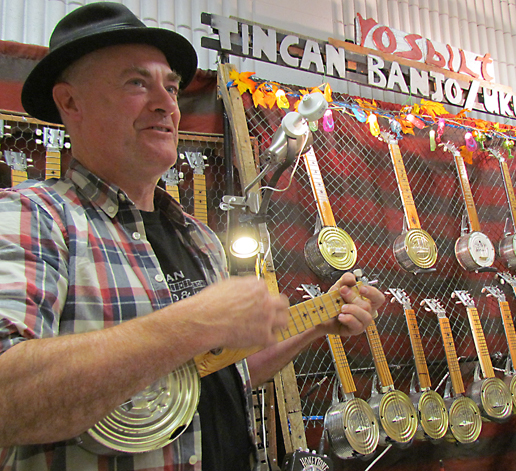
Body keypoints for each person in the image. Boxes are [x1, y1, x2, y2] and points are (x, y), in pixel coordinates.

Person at [0, 3, 384, 471]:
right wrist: (194, 323)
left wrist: (315, 324)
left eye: (172, 87)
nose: (166, 104)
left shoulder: (198, 238)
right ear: (70, 102)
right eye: (137, 83)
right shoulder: (31, 217)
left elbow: (220, 374)